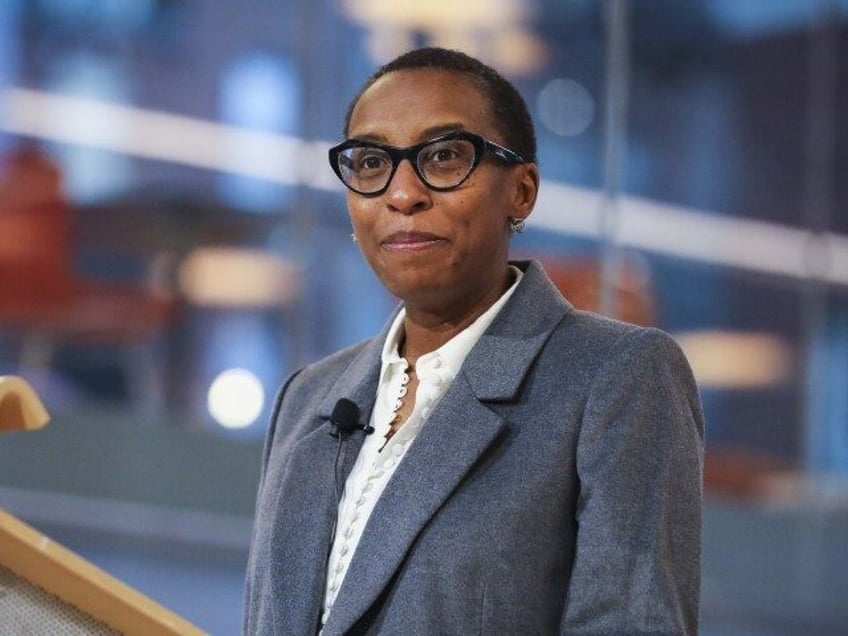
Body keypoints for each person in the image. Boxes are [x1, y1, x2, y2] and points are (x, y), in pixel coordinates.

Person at [244, 47, 704, 636]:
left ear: (522, 192)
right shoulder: (308, 398)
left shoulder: (615, 377)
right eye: (370, 163)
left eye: (443, 157)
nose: (402, 194)